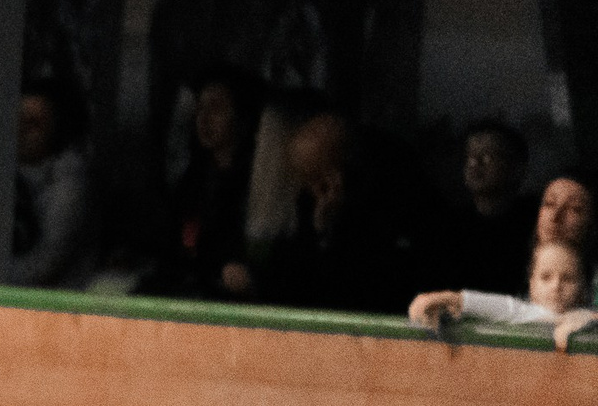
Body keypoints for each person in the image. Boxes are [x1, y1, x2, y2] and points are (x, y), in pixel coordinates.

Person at [253, 109, 418, 313]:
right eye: (304, 180)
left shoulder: (388, 204)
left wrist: (332, 230)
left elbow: (367, 284)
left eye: (315, 178)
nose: (310, 189)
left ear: (337, 173)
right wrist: (318, 230)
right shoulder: (308, 202)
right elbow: (290, 279)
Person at [152, 67, 261, 300]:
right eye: (199, 109)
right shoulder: (195, 174)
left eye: (216, 109)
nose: (203, 119)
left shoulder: (256, 182)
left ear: (242, 117)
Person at [409, 239, 592, 353]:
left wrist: (575, 323)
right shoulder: (522, 311)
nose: (556, 286)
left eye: (568, 278)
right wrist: (441, 298)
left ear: (583, 288)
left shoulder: (589, 317)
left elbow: (588, 318)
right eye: (546, 277)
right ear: (532, 284)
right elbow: (488, 304)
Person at [8, 79, 94, 289]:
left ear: (56, 128)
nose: (21, 133)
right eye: (17, 122)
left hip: (55, 305)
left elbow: (41, 267)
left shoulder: (69, 181)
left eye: (33, 124)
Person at [439, 119, 538, 294]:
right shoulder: (450, 224)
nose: (474, 164)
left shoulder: (535, 221)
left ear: (516, 168)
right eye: (469, 157)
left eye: (486, 157)